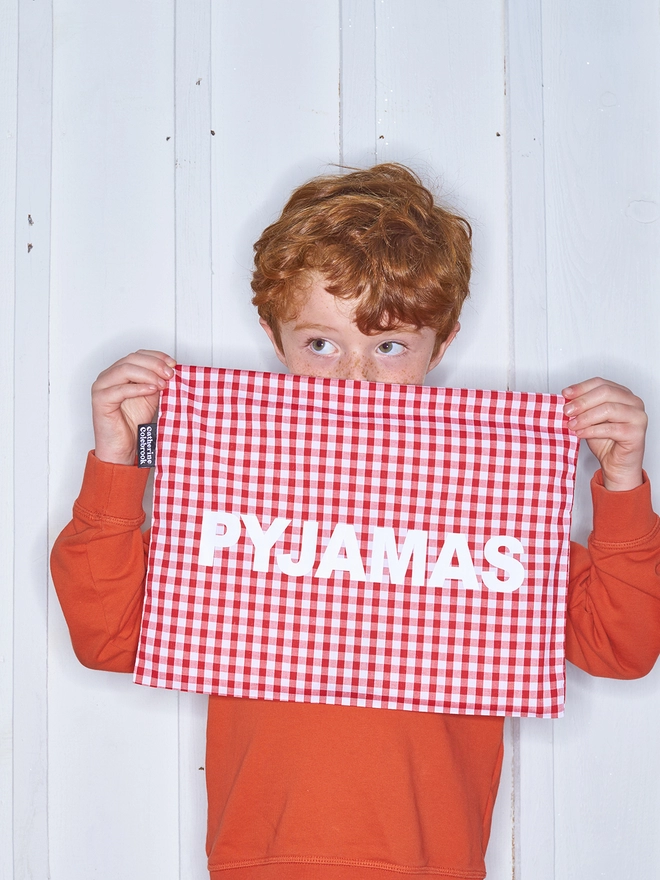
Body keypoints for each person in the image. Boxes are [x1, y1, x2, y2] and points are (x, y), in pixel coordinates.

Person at [51, 164, 660, 880]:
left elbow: (621, 648)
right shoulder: (232, 493)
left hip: (435, 864)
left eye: (390, 347)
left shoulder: (484, 501)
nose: (355, 380)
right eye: (322, 345)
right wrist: (119, 464)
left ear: (444, 342)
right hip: (258, 861)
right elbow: (108, 636)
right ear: (276, 338)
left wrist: (621, 484)